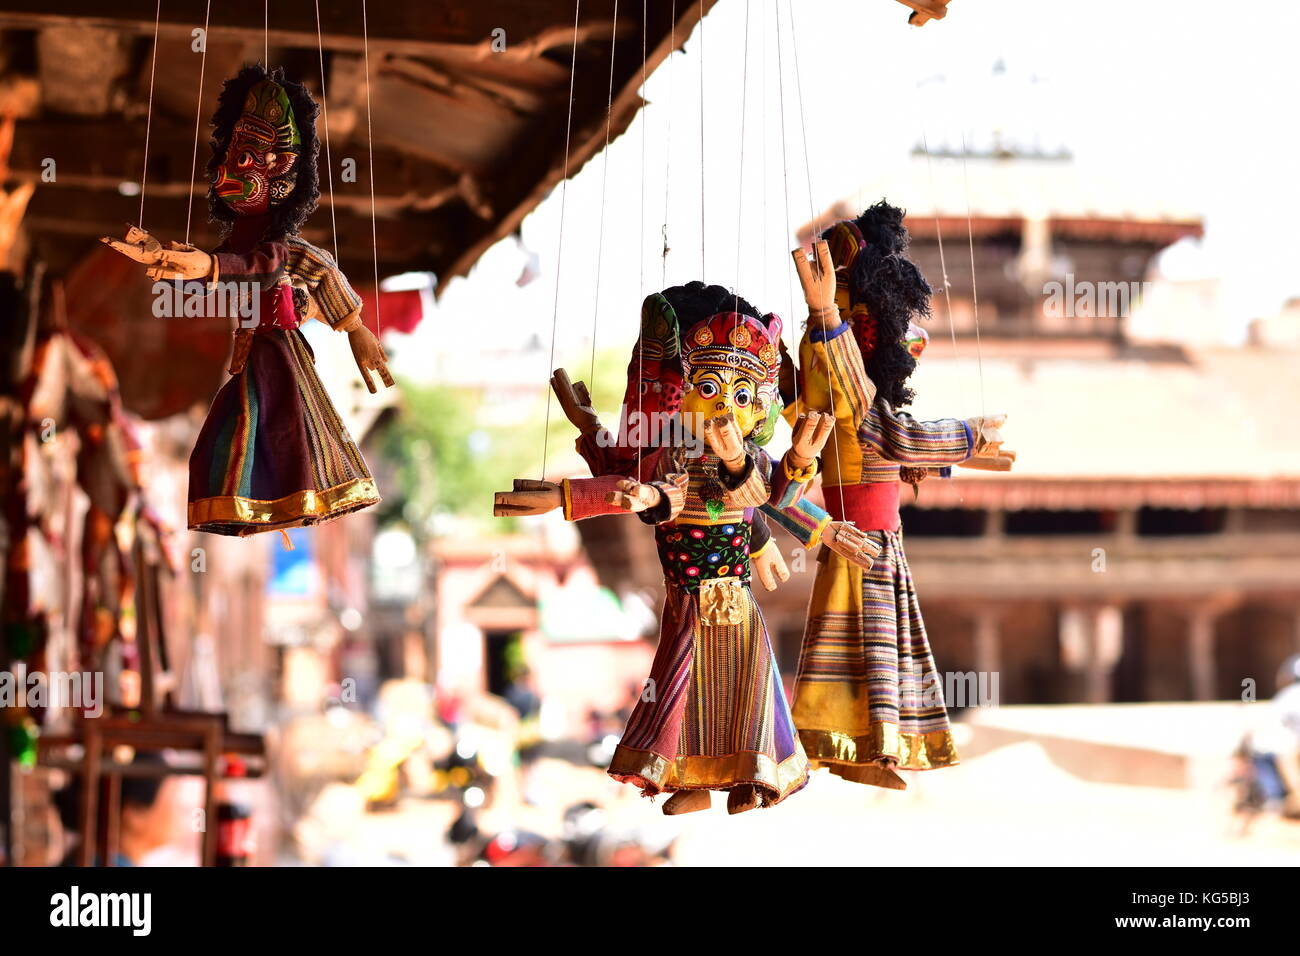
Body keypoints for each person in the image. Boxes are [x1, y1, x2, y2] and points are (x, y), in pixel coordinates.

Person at [495, 284, 837, 814]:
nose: (724, 405)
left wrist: (804, 473)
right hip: (687, 596)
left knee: (746, 689)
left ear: (760, 409)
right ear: (686, 390)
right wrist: (575, 476)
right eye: (710, 386)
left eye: (742, 396)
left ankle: (753, 776)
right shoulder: (673, 457)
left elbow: (769, 497)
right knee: (684, 690)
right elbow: (646, 492)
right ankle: (693, 782)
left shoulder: (748, 464)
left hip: (734, 597)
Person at [786, 203, 1014, 789]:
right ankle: (868, 747)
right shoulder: (855, 396)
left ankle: (873, 749)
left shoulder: (847, 396)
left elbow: (886, 444)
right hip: (865, 538)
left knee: (875, 649)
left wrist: (958, 456)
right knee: (874, 647)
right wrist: (967, 436)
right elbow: (902, 436)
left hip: (873, 535)